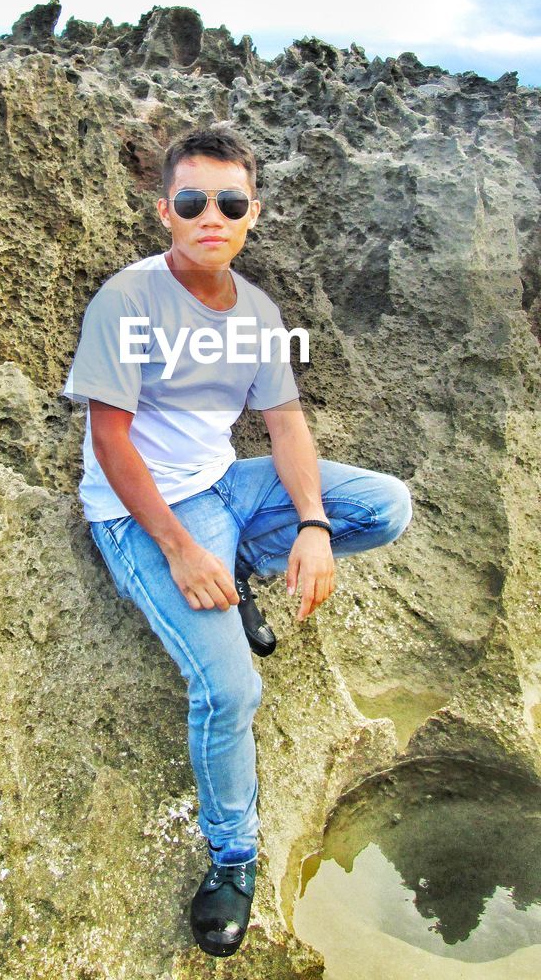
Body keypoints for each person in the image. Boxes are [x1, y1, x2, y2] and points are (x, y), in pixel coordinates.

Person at [63, 125, 412, 957]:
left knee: (386, 507)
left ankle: (247, 567)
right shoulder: (129, 301)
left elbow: (286, 425)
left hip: (227, 483)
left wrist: (316, 526)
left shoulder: (257, 312)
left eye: (229, 202)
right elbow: (110, 440)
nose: (210, 216)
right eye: (192, 201)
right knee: (230, 692)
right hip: (141, 511)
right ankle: (233, 857)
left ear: (252, 212)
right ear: (166, 213)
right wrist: (183, 549)